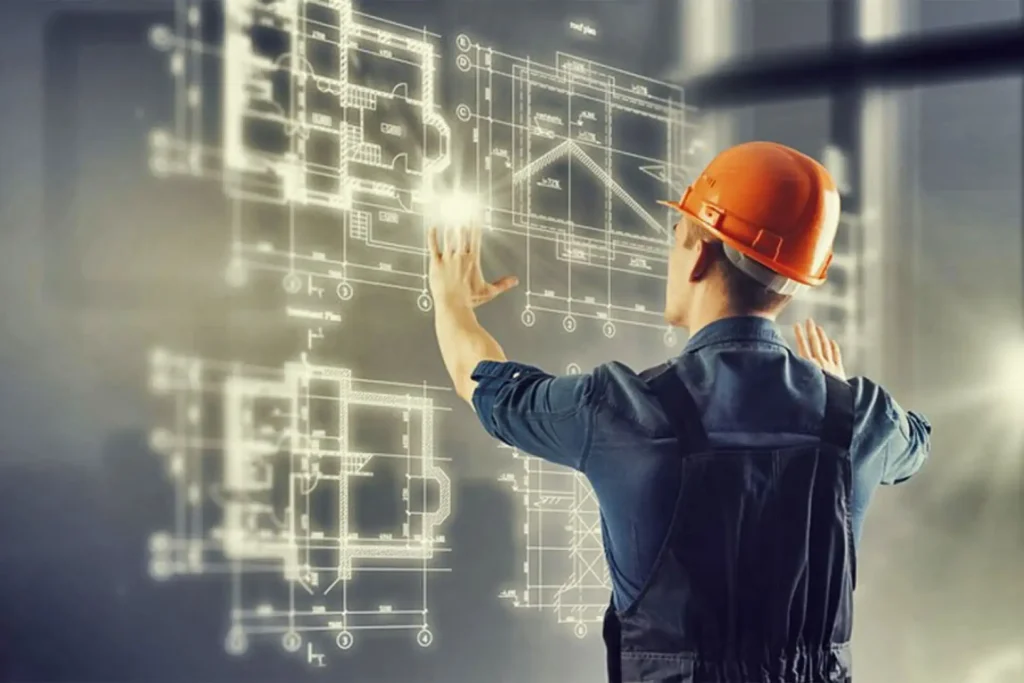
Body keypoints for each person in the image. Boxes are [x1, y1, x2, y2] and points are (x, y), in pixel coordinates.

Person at [426, 141, 931, 683]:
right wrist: (836, 395)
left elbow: (482, 383)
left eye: (677, 237)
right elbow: (916, 446)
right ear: (793, 279)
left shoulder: (623, 411)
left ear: (701, 254)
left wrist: (453, 301)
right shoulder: (860, 419)